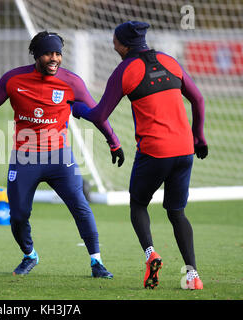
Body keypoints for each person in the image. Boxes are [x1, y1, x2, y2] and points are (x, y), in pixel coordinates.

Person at [0, 31, 125, 278]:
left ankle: (96, 262)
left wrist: (114, 142)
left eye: (58, 53)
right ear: (36, 55)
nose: (54, 58)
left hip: (60, 158)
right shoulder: (14, 79)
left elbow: (98, 113)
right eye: (48, 53)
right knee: (18, 215)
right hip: (25, 159)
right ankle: (30, 255)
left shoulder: (73, 82)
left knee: (80, 206)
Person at [69, 21, 208, 290]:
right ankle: (193, 276)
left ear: (123, 44)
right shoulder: (170, 61)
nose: (112, 45)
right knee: (177, 213)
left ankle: (151, 254)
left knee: (138, 205)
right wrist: (199, 137)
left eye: (114, 41)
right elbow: (198, 99)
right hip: (184, 150)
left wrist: (77, 109)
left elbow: (99, 115)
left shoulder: (125, 70)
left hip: (154, 152)